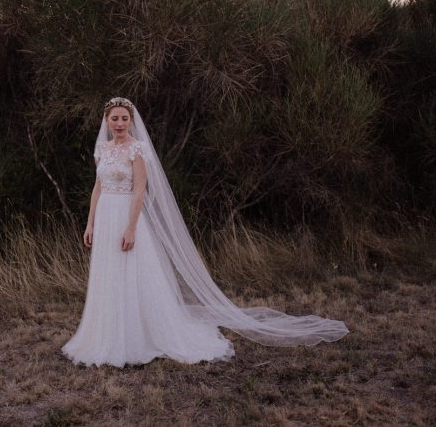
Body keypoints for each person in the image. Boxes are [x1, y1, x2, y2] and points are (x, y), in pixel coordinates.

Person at [61, 97, 348, 368]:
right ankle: (106, 333)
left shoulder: (137, 149)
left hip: (126, 216)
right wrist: (90, 223)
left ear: (131, 121)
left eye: (124, 118)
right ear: (107, 121)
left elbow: (139, 191)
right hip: (106, 215)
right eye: (115, 119)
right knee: (108, 274)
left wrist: (132, 227)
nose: (120, 123)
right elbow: (97, 188)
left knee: (132, 274)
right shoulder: (103, 149)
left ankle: (137, 336)